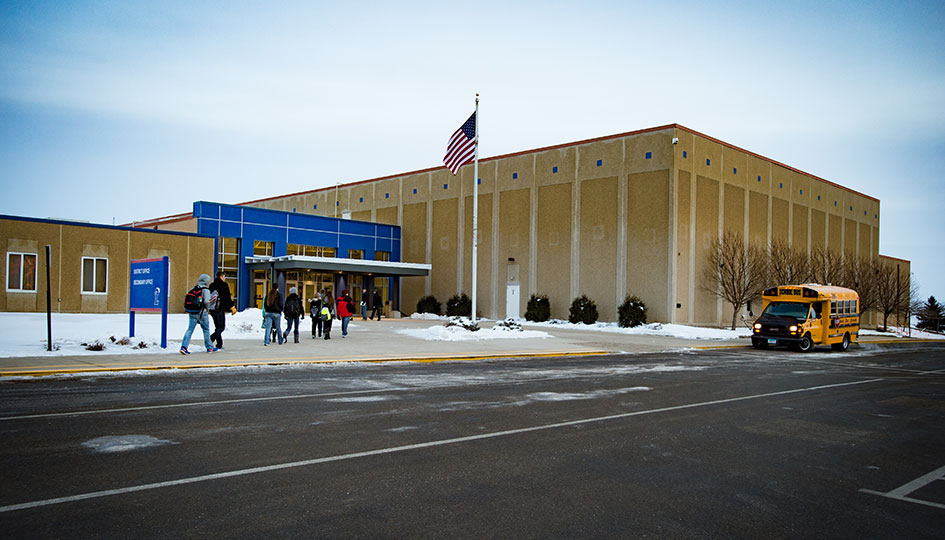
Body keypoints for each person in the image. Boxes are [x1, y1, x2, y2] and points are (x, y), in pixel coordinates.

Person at [181, 273, 218, 354]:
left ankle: (184, 347)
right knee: (206, 330)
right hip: (202, 313)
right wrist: (207, 309)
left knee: (190, 329)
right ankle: (209, 348)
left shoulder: (193, 288)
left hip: (192, 312)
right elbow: (207, 301)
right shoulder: (206, 290)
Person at [208, 271, 234, 350]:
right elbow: (227, 297)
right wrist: (231, 306)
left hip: (212, 309)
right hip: (220, 309)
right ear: (221, 276)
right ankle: (210, 339)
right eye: (224, 277)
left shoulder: (212, 285)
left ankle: (219, 344)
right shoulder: (224, 285)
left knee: (217, 327)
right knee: (221, 328)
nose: (224, 278)